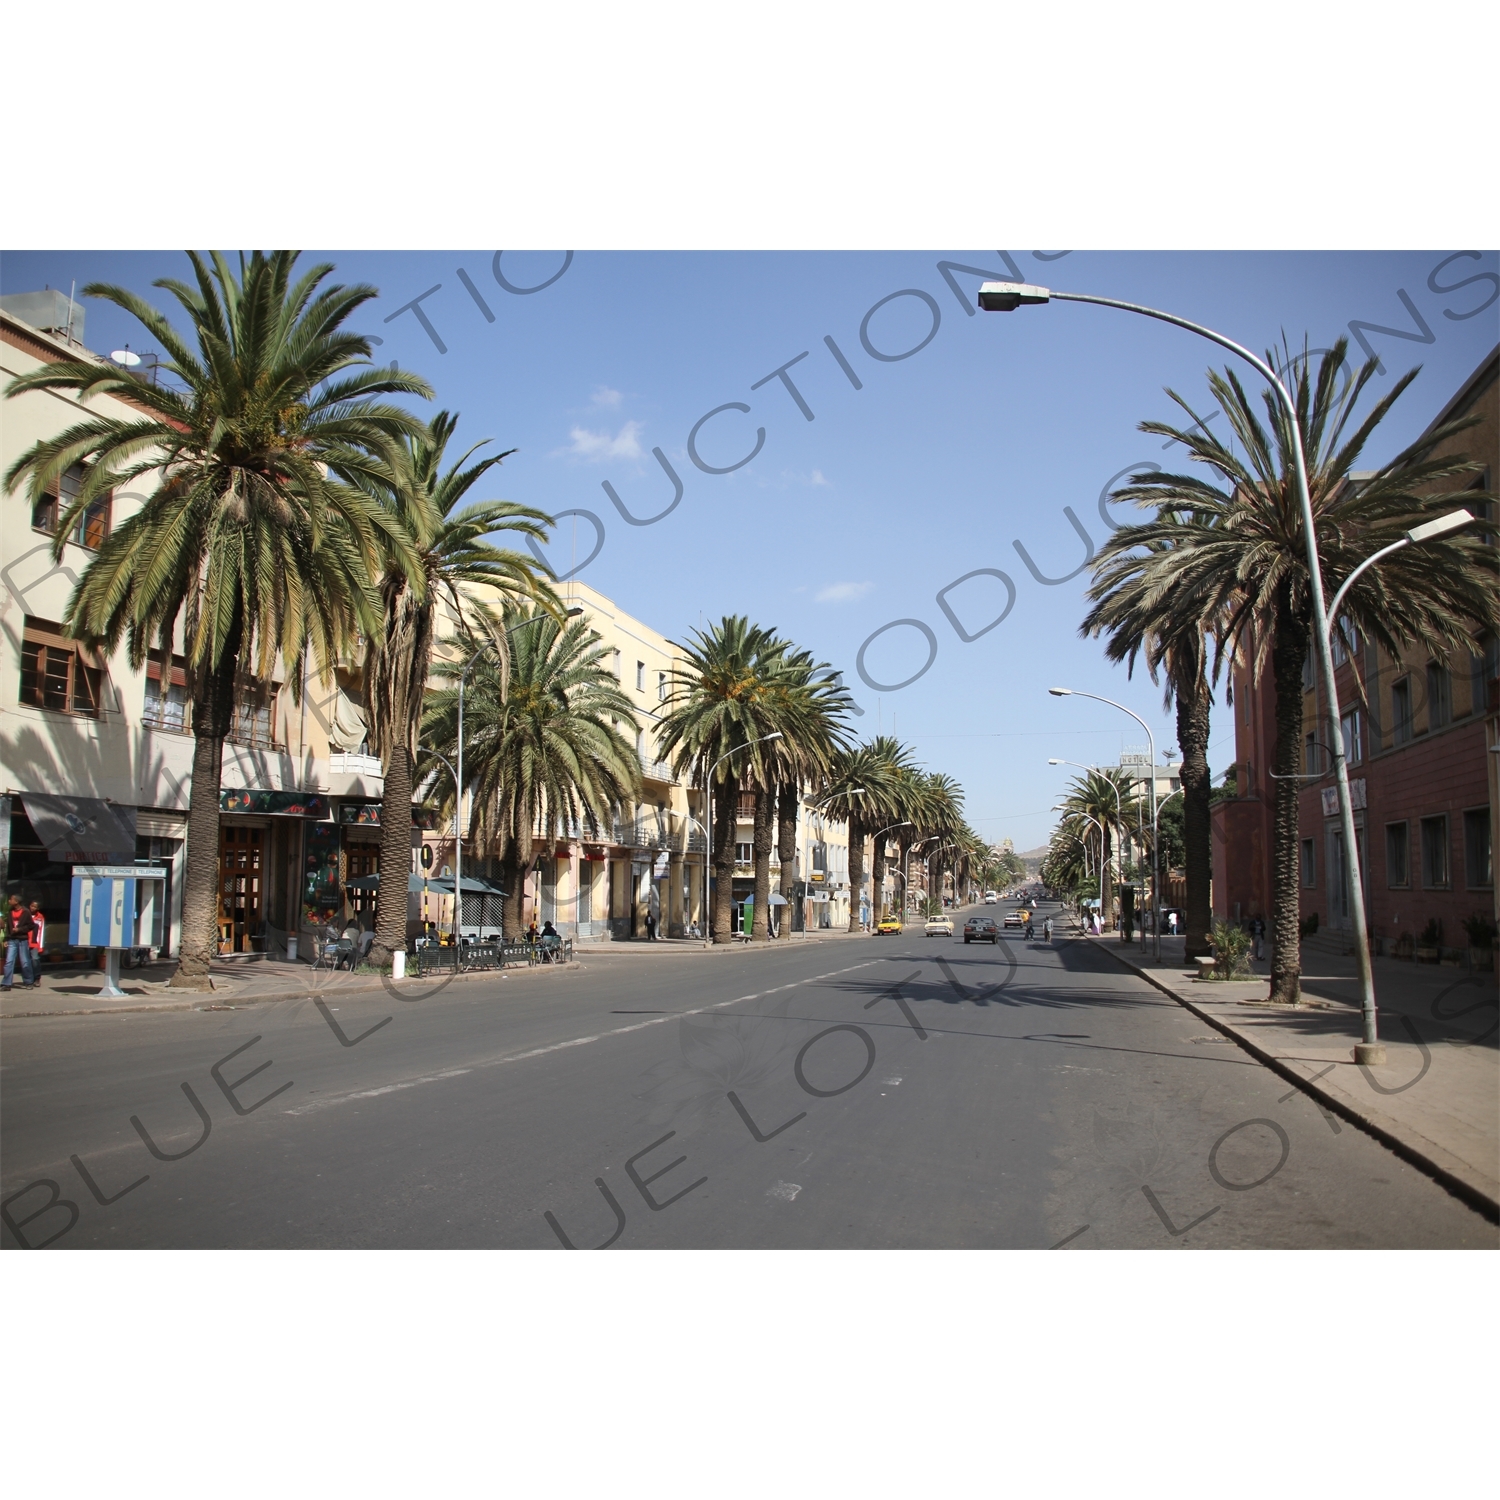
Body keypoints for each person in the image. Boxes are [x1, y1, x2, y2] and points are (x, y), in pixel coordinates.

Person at [4, 894, 36, 989]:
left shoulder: (26, 912)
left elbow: (31, 925)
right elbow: (8, 927)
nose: (9, 901)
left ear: (16, 902)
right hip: (12, 940)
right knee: (9, 961)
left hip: (22, 940)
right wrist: (6, 939)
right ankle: (6, 983)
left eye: (11, 899)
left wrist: (20, 929)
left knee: (25, 961)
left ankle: (28, 982)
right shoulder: (10, 912)